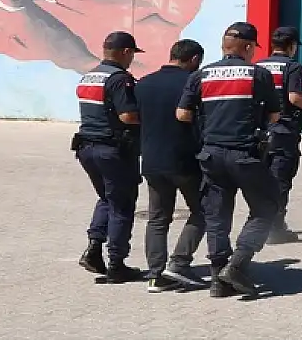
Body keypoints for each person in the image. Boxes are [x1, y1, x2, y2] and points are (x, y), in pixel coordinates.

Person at [175, 22, 281, 298]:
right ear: (247, 47)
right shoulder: (258, 74)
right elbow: (274, 116)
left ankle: (217, 281)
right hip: (245, 154)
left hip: (211, 155)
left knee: (217, 216)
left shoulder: (201, 75)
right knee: (266, 206)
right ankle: (237, 264)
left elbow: (183, 115)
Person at [73, 31, 145, 284]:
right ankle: (117, 263)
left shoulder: (89, 76)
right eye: (132, 54)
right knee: (122, 205)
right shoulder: (119, 80)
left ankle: (93, 249)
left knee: (106, 198)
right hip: (112, 150)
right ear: (125, 52)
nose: (132, 60)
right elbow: (127, 117)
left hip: (86, 148)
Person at [136, 39, 208, 293]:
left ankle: (156, 275)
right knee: (203, 211)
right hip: (186, 161)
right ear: (195, 59)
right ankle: (179, 262)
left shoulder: (143, 84)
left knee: (157, 218)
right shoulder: (194, 83)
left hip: (153, 161)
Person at [254, 26, 302, 244]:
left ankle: (259, 221)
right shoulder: (294, 67)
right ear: (291, 46)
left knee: (260, 179)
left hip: (259, 131)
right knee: (280, 180)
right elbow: (295, 97)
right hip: (283, 130)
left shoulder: (257, 65)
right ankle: (274, 227)